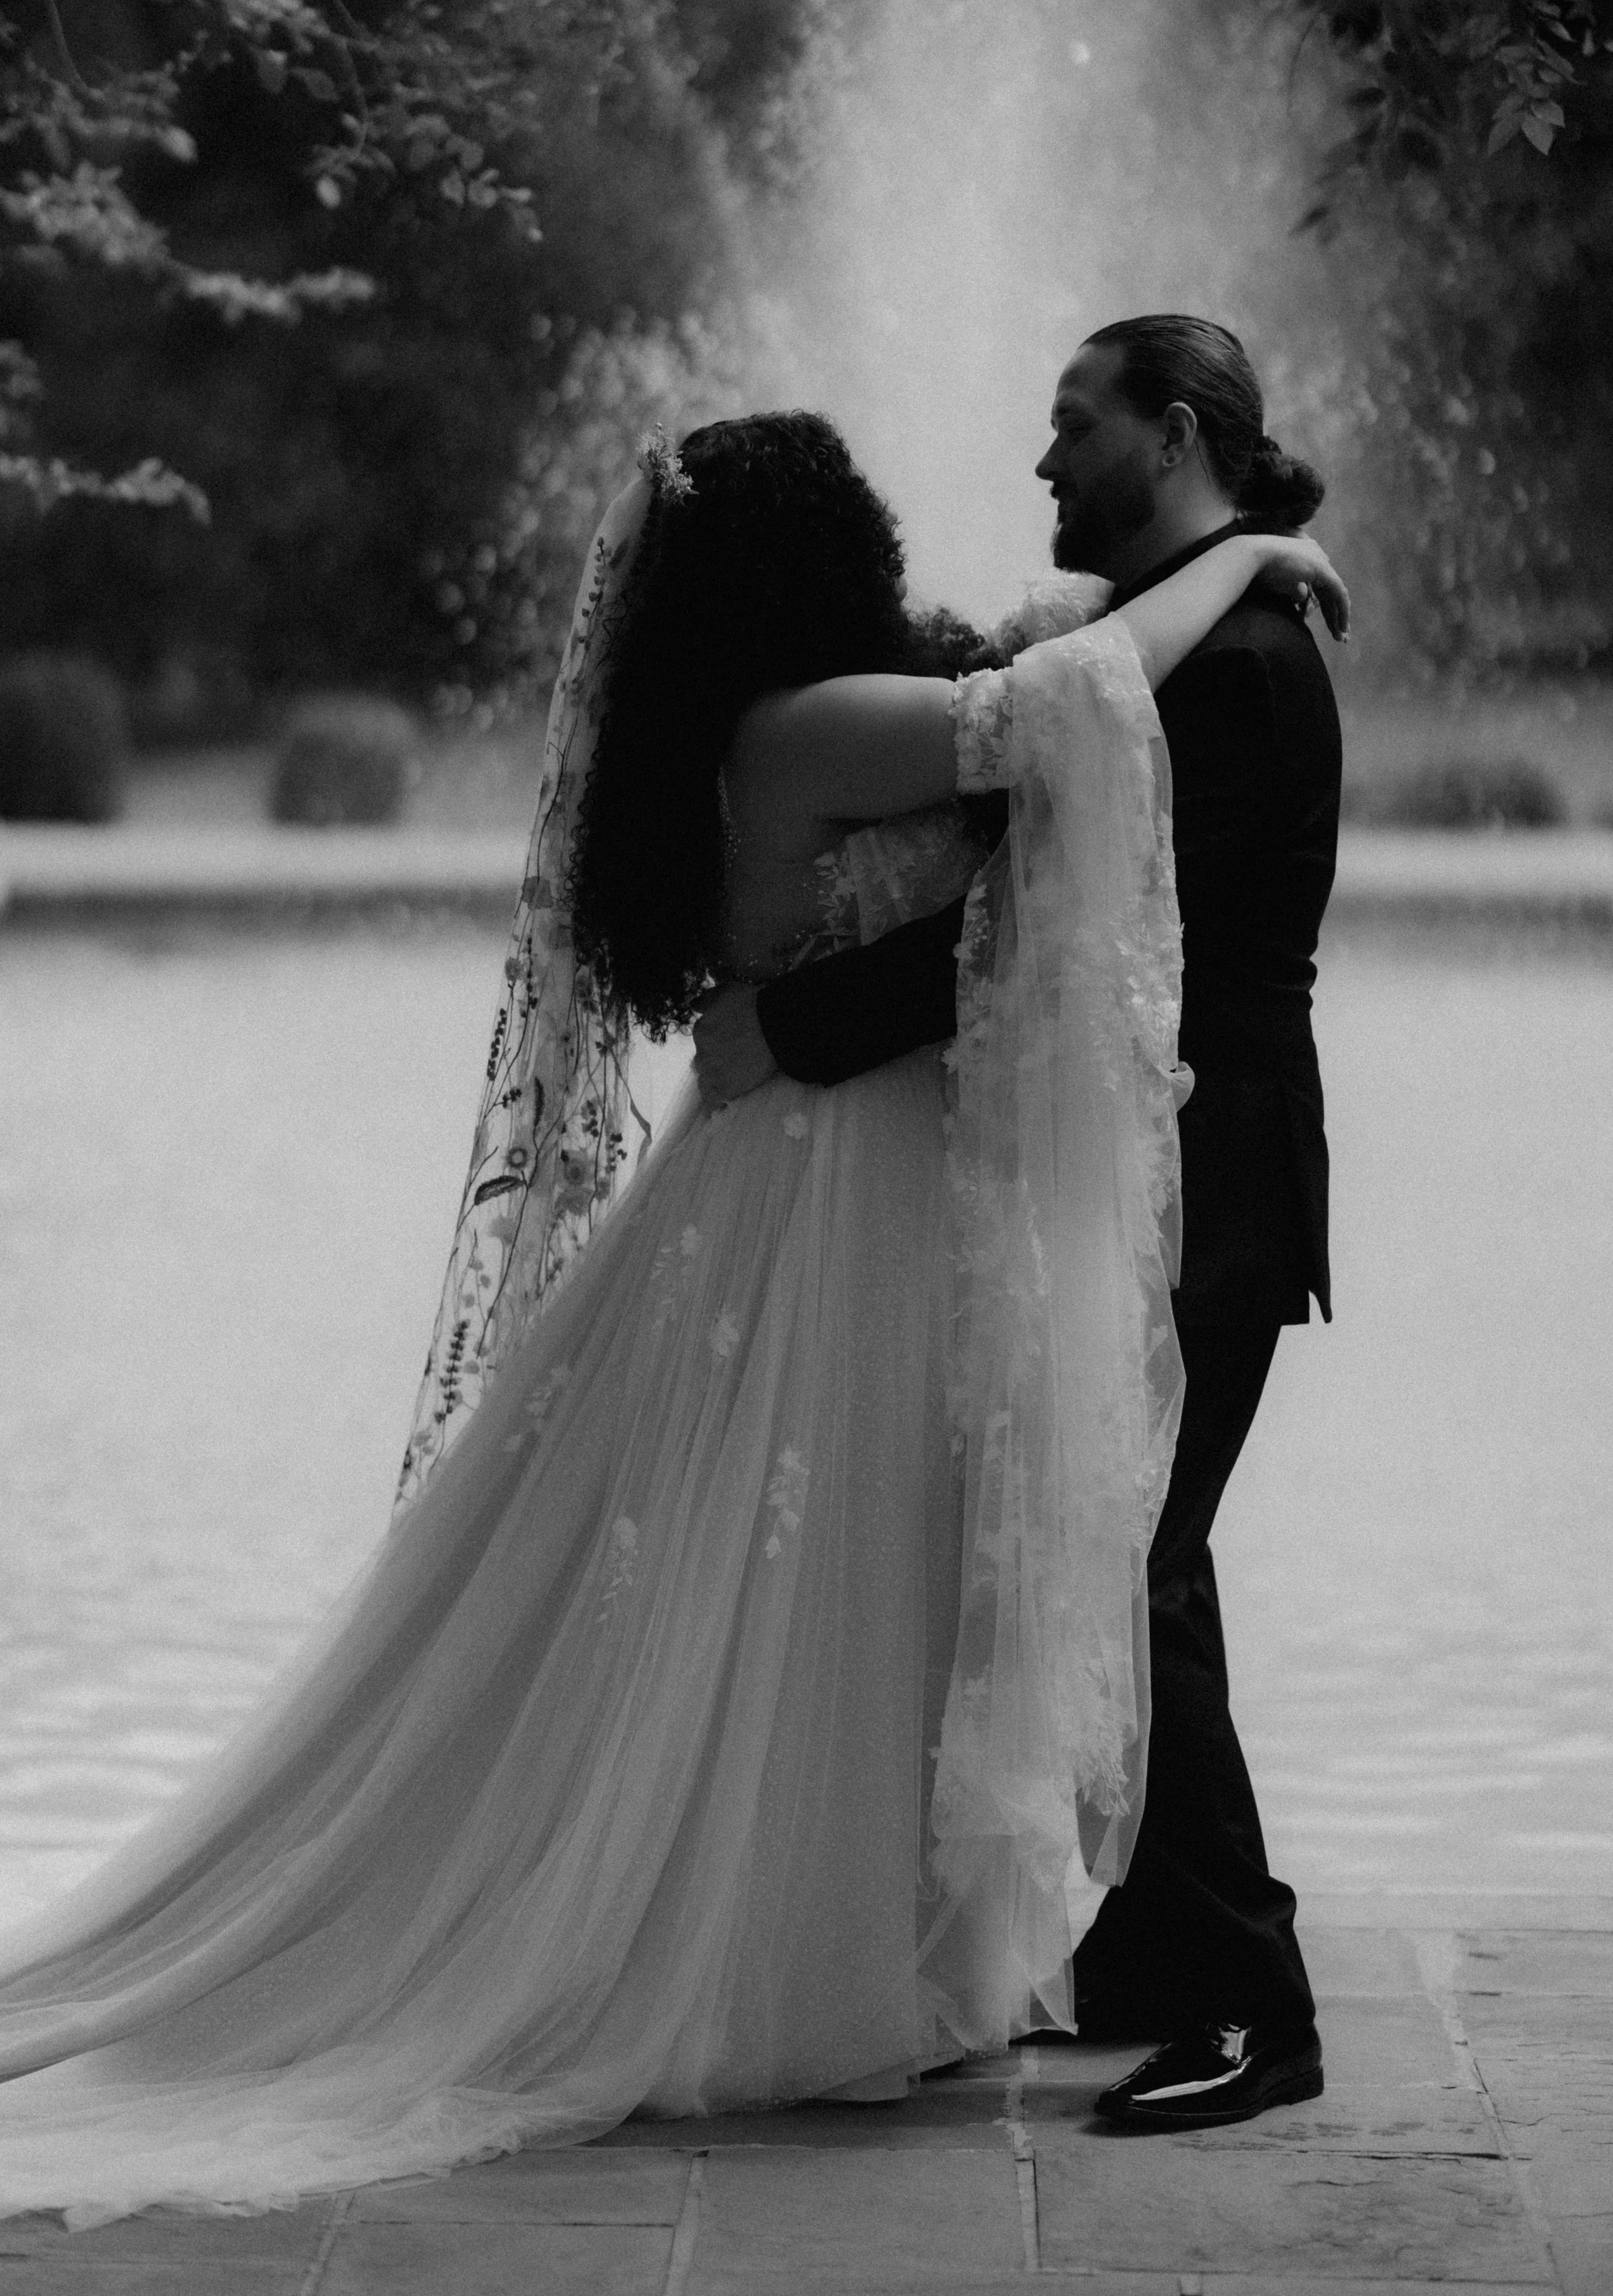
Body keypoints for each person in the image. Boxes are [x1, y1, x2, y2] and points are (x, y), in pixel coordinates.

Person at [0, 409, 1345, 2224]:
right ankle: (798, 1946)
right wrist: (1250, 558)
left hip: (814, 1165)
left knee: (836, 1574)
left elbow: (1034, 652)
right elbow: (1069, 701)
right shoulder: (811, 727)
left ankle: (866, 1933)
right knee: (820, 1571)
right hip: (828, 1189)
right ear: (820, 554)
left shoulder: (775, 716)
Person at [693, 320, 1343, 2133]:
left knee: (1139, 1559)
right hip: (1154, 1171)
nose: (1040, 462)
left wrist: (798, 1029)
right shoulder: (1179, 645)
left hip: (1207, 1186)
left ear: (1179, 432)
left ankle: (1251, 2004)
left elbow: (1045, 941)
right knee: (1094, 1543)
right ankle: (1138, 1957)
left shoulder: (1238, 677)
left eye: (1075, 426)